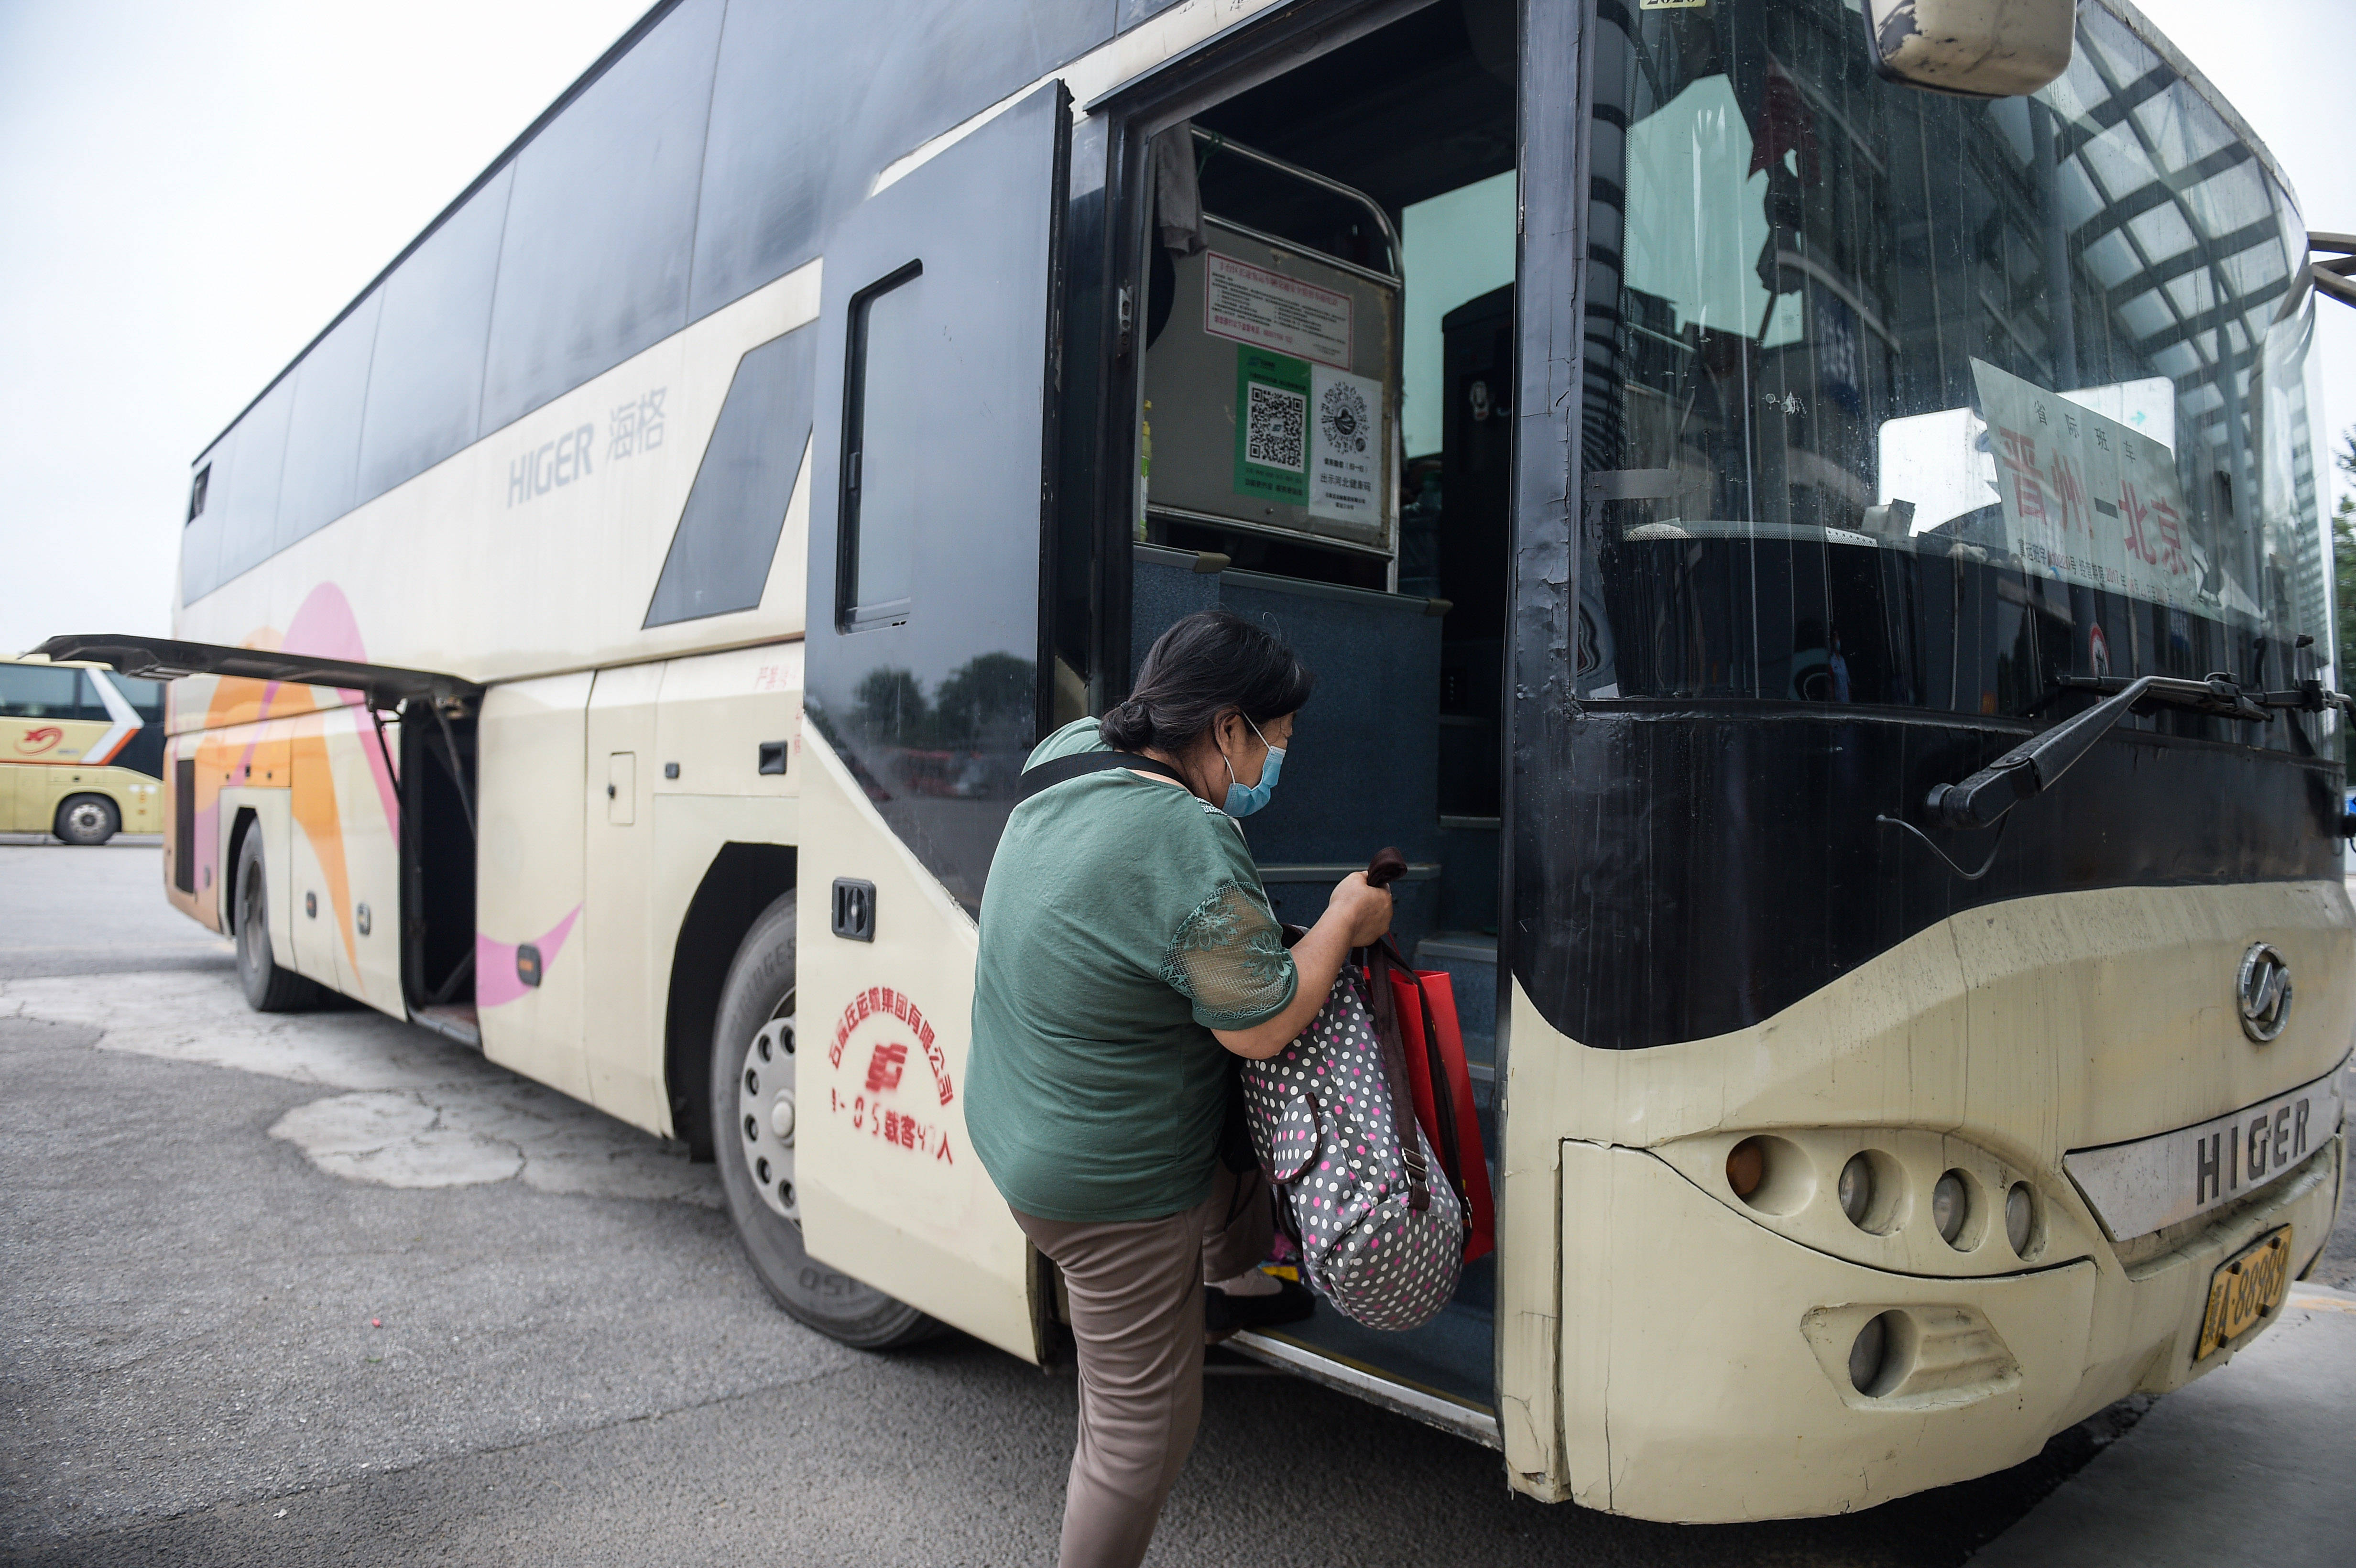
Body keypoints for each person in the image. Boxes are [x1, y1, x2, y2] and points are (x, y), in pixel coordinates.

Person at [966, 610, 1394, 1568]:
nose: (1281, 762)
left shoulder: (1075, 749)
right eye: (1278, 741)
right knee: (1139, 1434)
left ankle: (1230, 1268)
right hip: (1105, 1187)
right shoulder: (1189, 838)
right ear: (1230, 727)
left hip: (1015, 1107)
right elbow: (1261, 1022)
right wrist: (1343, 916)